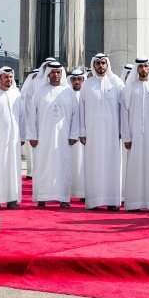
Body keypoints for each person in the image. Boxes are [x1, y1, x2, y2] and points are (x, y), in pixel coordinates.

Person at [28, 61, 79, 208]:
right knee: (43, 165)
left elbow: (75, 115)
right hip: (43, 137)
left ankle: (63, 198)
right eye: (53, 72)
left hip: (64, 138)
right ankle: (42, 197)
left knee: (64, 165)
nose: (56, 75)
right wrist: (33, 135)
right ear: (48, 74)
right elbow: (32, 115)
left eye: (58, 72)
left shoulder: (68, 92)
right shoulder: (40, 91)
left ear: (61, 74)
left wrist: (73, 134)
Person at [79, 53, 124, 211]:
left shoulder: (117, 82)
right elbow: (81, 109)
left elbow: (123, 109)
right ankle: (94, 201)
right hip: (92, 133)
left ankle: (112, 200)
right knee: (94, 164)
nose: (101, 66)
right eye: (97, 63)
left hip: (112, 132)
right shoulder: (87, 84)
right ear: (93, 65)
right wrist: (82, 131)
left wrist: (122, 130)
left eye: (103, 63)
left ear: (108, 64)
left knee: (112, 164)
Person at [121, 57, 149, 211]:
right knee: (135, 168)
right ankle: (134, 203)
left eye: (146, 66)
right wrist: (126, 136)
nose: (143, 69)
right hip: (134, 136)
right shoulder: (129, 88)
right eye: (140, 66)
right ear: (137, 68)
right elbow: (124, 114)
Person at [0, 66, 24, 210]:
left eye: (11, 77)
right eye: (6, 77)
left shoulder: (16, 94)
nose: (9, 80)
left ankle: (12, 199)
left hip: (14, 139)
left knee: (14, 168)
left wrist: (22, 135)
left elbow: (22, 117)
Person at [69, 69, 86, 200]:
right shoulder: (67, 94)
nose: (76, 82)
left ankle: (84, 192)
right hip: (71, 137)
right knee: (72, 163)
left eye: (79, 79)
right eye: (74, 79)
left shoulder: (87, 94)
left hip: (86, 136)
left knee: (84, 163)